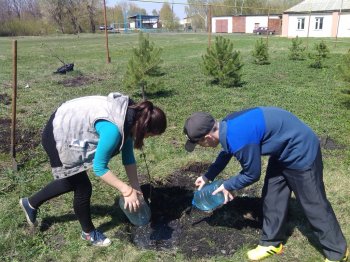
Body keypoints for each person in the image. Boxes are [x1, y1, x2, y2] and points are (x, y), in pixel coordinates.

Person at [183, 107, 348, 261]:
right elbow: (226, 153)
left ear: (207, 138)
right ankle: (271, 243)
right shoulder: (227, 125)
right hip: (282, 149)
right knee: (272, 196)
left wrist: (228, 185)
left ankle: (338, 253)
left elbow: (252, 174)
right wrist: (207, 176)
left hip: (301, 150)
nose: (202, 147)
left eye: (199, 144)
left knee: (314, 204)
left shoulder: (239, 137)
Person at [19, 92, 167, 247]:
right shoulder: (114, 130)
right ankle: (88, 233)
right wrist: (126, 190)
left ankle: (30, 203)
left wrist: (136, 188)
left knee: (71, 181)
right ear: (143, 127)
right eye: (149, 136)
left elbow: (128, 157)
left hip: (66, 122)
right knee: (82, 186)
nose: (147, 139)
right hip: (59, 133)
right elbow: (99, 167)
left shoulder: (132, 118)